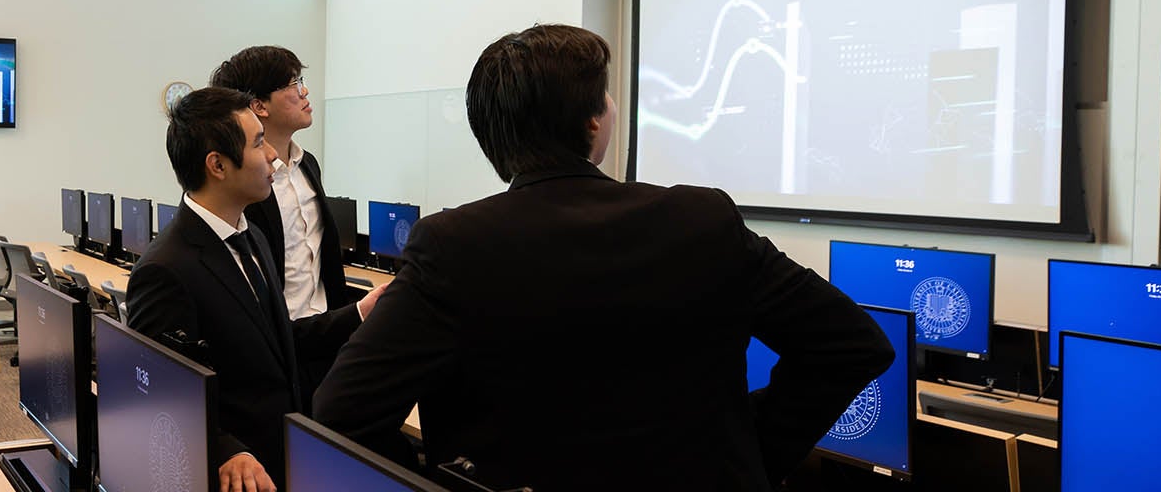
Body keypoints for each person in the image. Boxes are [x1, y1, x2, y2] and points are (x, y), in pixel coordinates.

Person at [311, 25, 894, 491]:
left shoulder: (450, 245)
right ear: (593, 121)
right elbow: (852, 345)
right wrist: (748, 456)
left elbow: (342, 413)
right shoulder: (702, 221)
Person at [125, 87, 383, 492]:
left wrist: (359, 313)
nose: (273, 157)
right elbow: (160, 396)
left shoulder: (254, 238)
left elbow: (278, 344)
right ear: (218, 165)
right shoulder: (165, 269)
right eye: (259, 142)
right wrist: (228, 450)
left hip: (284, 458)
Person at [209, 46, 373, 402]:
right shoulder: (246, 184)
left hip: (328, 340)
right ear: (260, 106)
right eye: (294, 83)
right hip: (282, 348)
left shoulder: (308, 164)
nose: (305, 92)